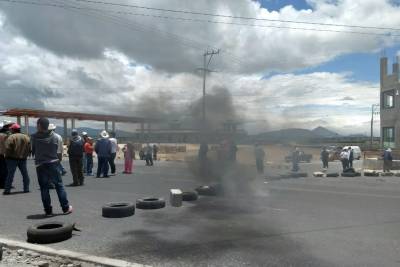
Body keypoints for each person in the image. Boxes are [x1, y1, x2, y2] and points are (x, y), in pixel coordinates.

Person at [31, 117, 72, 216]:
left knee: (44, 188)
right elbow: (58, 152)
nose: (36, 126)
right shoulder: (55, 136)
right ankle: (65, 208)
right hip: (53, 163)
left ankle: (48, 211)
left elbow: (33, 151)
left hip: (40, 165)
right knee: (59, 185)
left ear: (40, 125)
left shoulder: (33, 137)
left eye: (37, 124)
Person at [3, 123, 31, 195]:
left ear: (13, 129)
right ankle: (26, 188)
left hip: (12, 159)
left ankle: (7, 190)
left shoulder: (11, 137)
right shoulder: (26, 137)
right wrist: (26, 154)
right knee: (25, 174)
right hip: (23, 159)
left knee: (10, 174)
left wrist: (6, 156)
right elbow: (29, 148)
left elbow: (7, 148)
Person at [0, 121, 13, 189]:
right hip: (4, 154)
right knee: (5, 170)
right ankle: (4, 184)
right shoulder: (7, 135)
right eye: (9, 126)